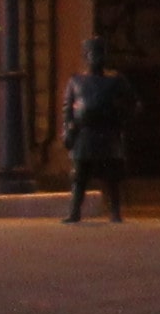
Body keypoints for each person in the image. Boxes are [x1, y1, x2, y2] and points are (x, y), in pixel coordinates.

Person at [57, 39, 135, 224]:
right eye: (92, 54)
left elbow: (133, 103)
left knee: (112, 176)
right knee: (79, 176)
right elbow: (67, 109)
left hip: (107, 133)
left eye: (100, 53)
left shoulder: (115, 80)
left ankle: (115, 212)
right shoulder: (76, 81)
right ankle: (74, 211)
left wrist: (121, 119)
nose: (97, 58)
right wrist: (68, 129)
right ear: (86, 57)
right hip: (84, 134)